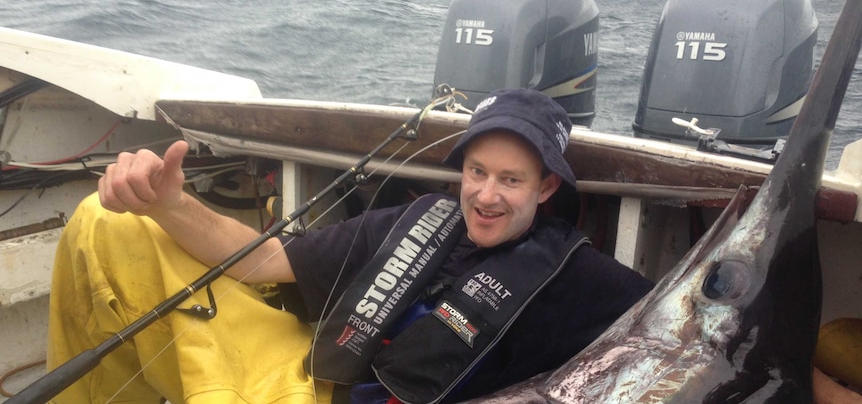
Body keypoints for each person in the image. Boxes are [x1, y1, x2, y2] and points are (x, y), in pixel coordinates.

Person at [45, 87, 853, 403]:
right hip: (304, 383)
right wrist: (168, 202)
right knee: (109, 226)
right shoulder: (409, 220)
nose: (486, 192)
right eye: (476, 170)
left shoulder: (582, 279)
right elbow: (261, 262)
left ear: (545, 189)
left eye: (511, 178)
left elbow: (706, 349)